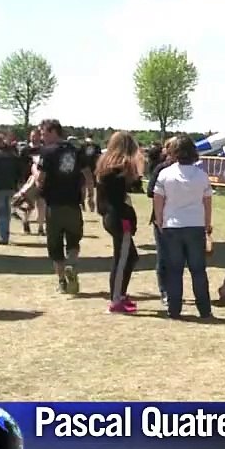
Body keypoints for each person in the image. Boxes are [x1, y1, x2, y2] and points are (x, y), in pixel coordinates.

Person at [21, 119, 92, 294]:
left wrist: (34, 170)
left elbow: (40, 180)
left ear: (54, 132)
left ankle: (62, 282)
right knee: (74, 241)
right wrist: (91, 196)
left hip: (54, 206)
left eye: (44, 134)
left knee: (55, 247)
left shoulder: (47, 152)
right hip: (74, 205)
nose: (42, 138)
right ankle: (72, 264)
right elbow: (88, 174)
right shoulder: (76, 150)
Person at [153, 134, 214, 320]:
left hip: (172, 225)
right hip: (195, 225)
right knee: (198, 270)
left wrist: (159, 221)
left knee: (174, 269)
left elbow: (158, 200)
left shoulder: (165, 174)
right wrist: (207, 224)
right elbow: (207, 202)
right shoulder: (202, 175)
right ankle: (204, 309)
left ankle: (174, 309)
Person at [96, 131, 145, 315]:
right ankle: (116, 299)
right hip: (119, 217)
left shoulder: (105, 165)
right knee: (123, 258)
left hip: (112, 216)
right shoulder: (120, 167)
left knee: (129, 256)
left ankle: (120, 294)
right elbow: (127, 192)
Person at [147, 137, 178, 306]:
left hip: (180, 218)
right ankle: (164, 291)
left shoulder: (189, 169)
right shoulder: (162, 168)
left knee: (176, 257)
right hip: (162, 217)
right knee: (164, 256)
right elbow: (150, 191)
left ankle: (174, 290)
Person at [81, 134, 102, 213]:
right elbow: (98, 157)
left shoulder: (82, 145)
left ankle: (83, 204)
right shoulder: (96, 146)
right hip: (91, 168)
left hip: (83, 168)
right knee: (90, 189)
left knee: (83, 187)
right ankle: (90, 205)